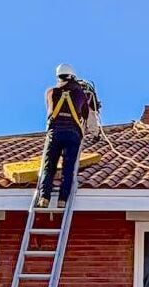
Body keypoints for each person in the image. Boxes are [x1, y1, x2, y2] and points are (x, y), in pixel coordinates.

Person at [38, 64, 97, 207]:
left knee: (48, 166)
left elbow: (50, 110)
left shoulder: (50, 92)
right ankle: (63, 200)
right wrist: (95, 134)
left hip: (54, 133)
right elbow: (87, 115)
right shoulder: (80, 94)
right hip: (72, 134)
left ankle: (44, 197)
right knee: (68, 167)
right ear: (72, 76)